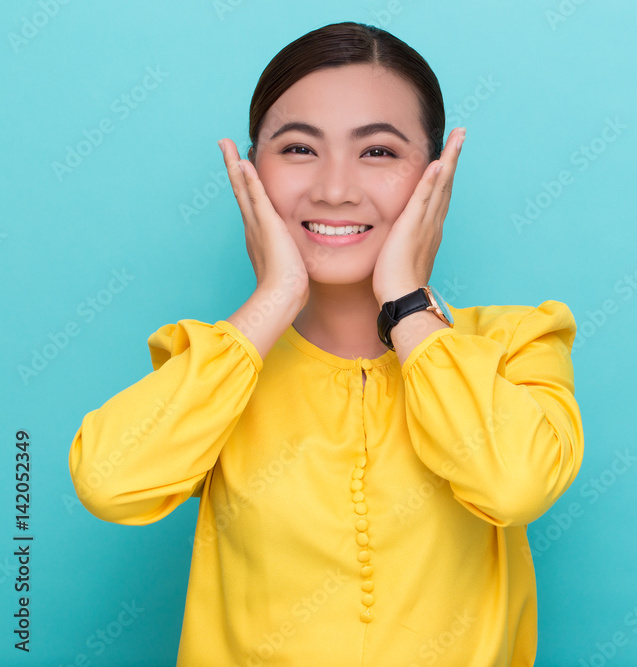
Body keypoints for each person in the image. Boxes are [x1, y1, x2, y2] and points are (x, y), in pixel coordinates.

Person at [68, 21, 584, 666]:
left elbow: (513, 486)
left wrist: (406, 301)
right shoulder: (221, 364)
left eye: (377, 152)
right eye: (298, 149)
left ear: (437, 174)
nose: (335, 188)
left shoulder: (517, 344)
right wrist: (275, 295)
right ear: (252, 174)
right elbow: (110, 483)